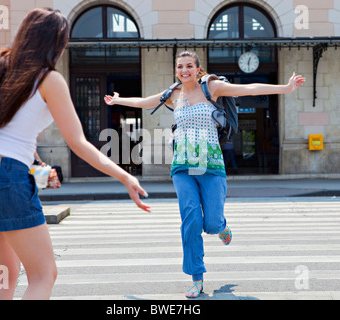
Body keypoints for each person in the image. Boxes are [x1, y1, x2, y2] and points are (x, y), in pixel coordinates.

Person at [0, 8, 150, 300]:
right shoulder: (48, 80)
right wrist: (124, 175)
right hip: (3, 173)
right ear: (57, 43)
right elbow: (78, 143)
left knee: (5, 270)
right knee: (43, 275)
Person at [104, 50, 305, 298]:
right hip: (182, 166)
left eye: (189, 66)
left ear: (198, 69)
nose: (184, 70)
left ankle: (221, 227)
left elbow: (249, 89)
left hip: (210, 164)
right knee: (191, 221)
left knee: (210, 223)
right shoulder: (173, 94)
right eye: (180, 66)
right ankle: (196, 279)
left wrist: (285, 88)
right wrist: (118, 100)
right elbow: (146, 101)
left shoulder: (212, 87)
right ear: (176, 70)